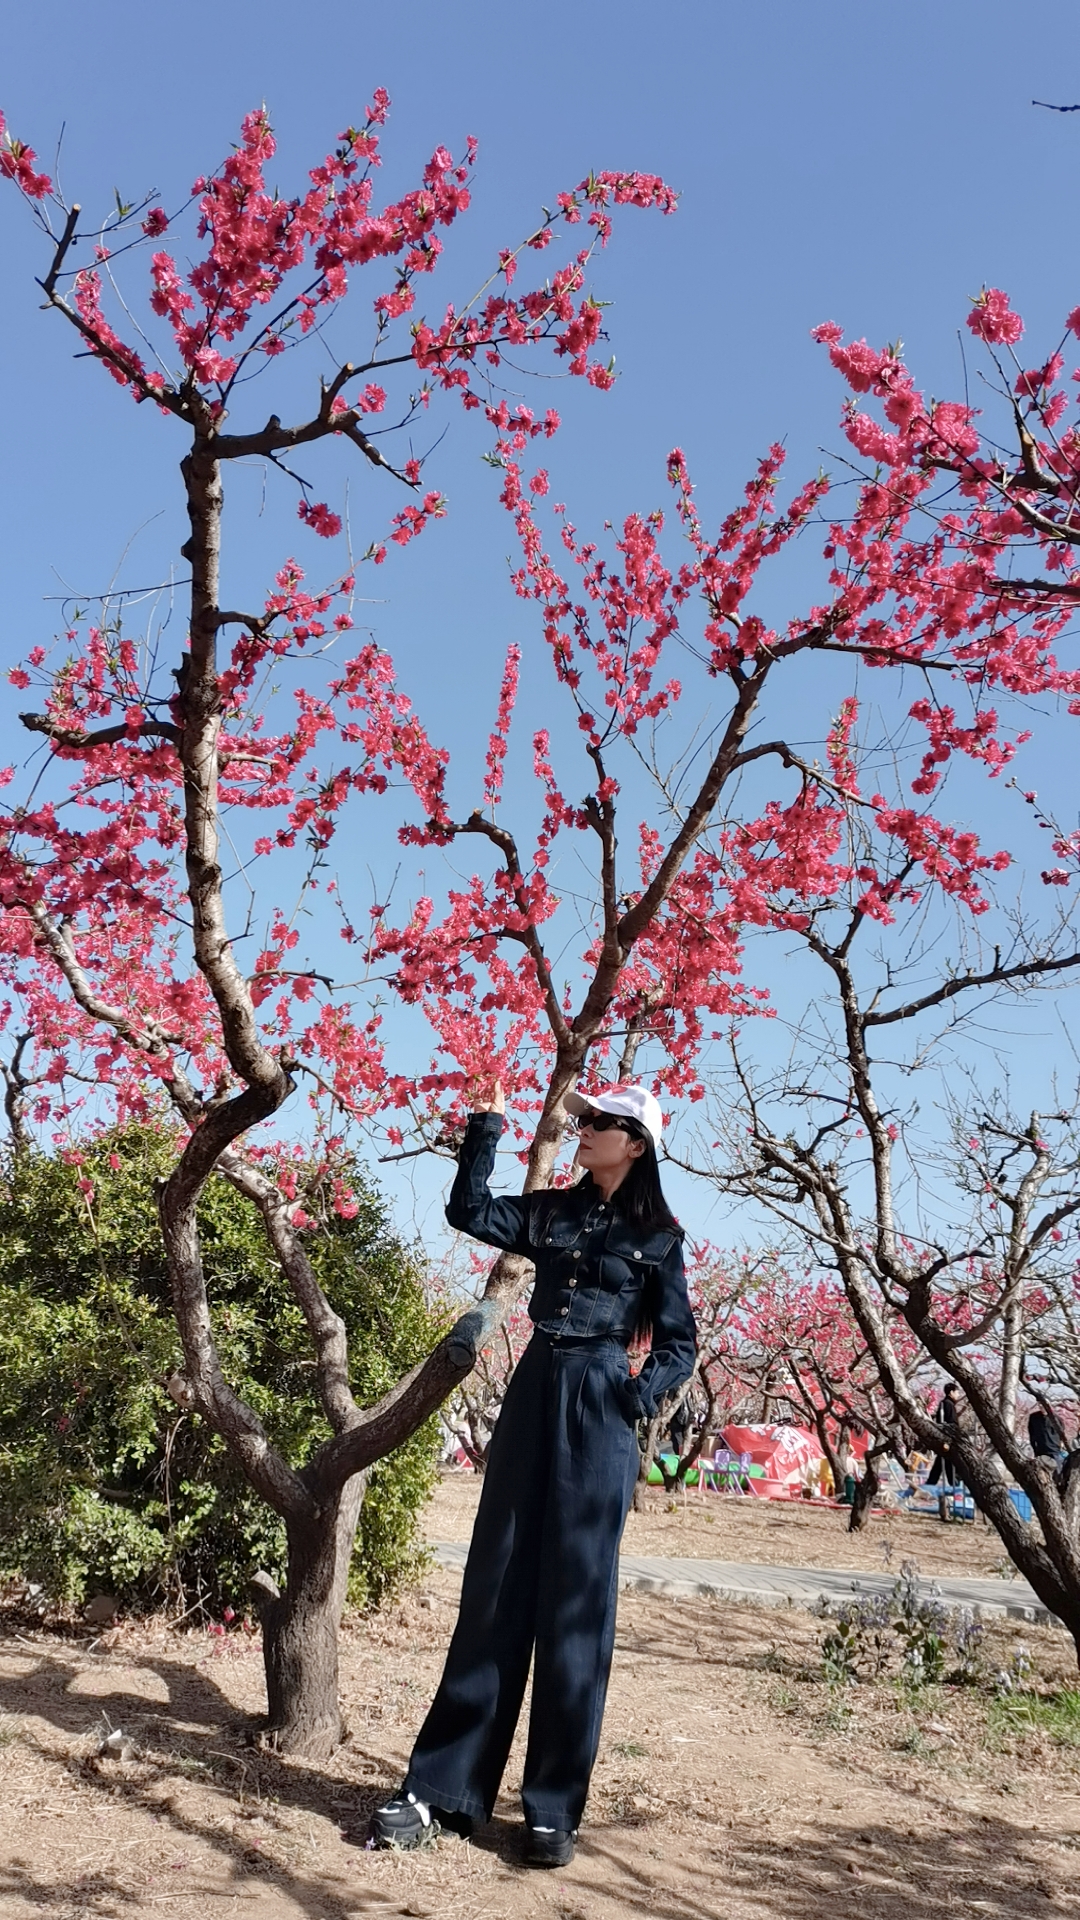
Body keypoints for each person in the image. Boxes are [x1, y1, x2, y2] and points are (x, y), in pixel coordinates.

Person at [371, 1081, 696, 1868]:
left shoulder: (661, 1235)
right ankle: (442, 1792)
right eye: (582, 1120)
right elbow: (469, 1212)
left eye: (600, 1123)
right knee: (496, 1587)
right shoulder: (550, 1211)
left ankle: (552, 1808)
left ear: (638, 1143)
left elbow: (680, 1343)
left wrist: (636, 1393)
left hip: (601, 1406)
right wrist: (485, 1128)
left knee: (576, 1607)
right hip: (533, 1391)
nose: (583, 1130)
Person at [926, 1383, 961, 1516]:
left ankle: (928, 1490)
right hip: (947, 1443)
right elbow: (950, 1424)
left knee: (938, 1469)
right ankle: (956, 1494)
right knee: (950, 1469)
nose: (958, 1395)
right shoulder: (948, 1405)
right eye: (957, 1392)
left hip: (943, 1442)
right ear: (951, 1392)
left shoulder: (944, 1404)